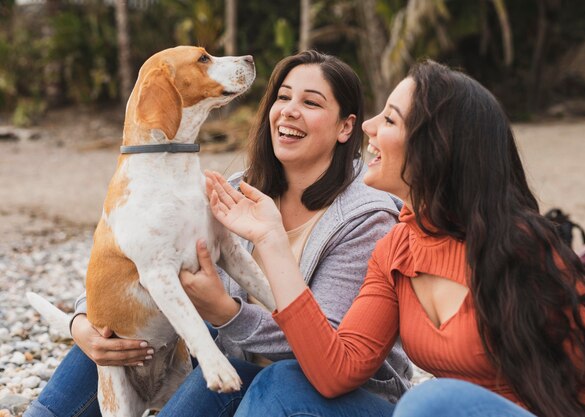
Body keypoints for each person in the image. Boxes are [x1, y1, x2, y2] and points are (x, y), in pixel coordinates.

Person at [203, 60, 585, 417]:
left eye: (389, 119)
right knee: (272, 384)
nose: (367, 125)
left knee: (432, 400)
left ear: (435, 146)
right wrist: (272, 241)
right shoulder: (397, 249)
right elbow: (336, 371)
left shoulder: (520, 247)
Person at [23, 50, 413, 417]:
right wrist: (82, 325)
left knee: (254, 379)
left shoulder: (366, 219)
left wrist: (226, 314)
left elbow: (331, 350)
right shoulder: (238, 188)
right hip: (235, 365)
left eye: (311, 103)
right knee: (112, 346)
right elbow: (135, 254)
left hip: (329, 393)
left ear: (346, 127)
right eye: (283, 97)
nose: (289, 112)